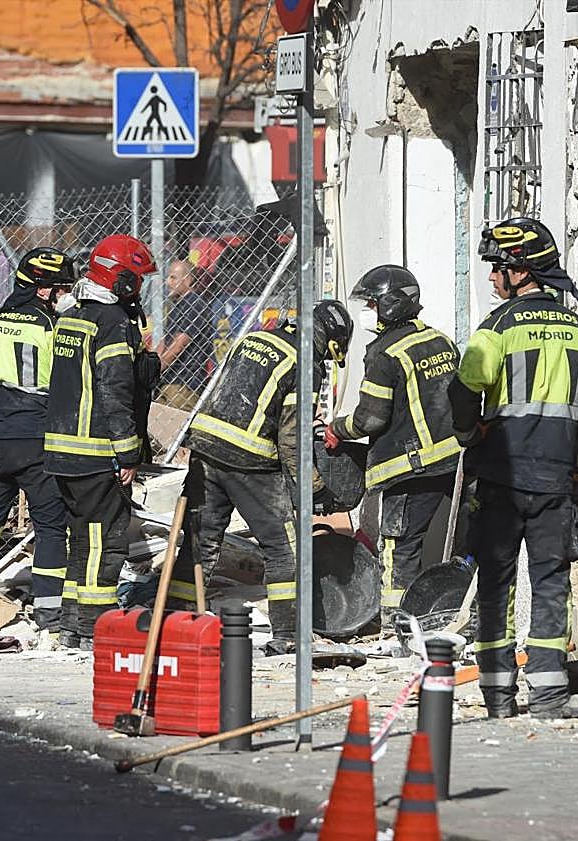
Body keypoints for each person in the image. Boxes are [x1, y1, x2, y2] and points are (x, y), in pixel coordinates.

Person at [447, 217, 578, 719]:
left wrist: (471, 436)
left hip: (500, 478)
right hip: (557, 481)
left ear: (521, 273)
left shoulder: (494, 329)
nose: (493, 278)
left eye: (498, 268)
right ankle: (550, 696)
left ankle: (498, 698)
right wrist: (577, 466)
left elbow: (462, 391)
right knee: (551, 583)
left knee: (496, 583)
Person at [168, 300, 354, 654]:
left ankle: (174, 621)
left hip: (206, 445)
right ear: (330, 340)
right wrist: (313, 487)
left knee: (200, 542)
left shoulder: (258, 337)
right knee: (283, 547)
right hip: (248, 457)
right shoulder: (305, 364)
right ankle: (287, 636)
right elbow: (291, 437)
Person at [324, 265, 462, 624]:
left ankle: (395, 624)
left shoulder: (384, 354)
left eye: (373, 304)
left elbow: (370, 419)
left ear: (391, 304)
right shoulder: (441, 340)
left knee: (400, 548)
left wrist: (338, 428)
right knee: (462, 542)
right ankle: (456, 614)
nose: (370, 312)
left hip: (407, 468)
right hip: (454, 462)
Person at [45, 234, 161, 650]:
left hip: (62, 451)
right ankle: (96, 628)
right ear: (122, 280)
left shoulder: (72, 316)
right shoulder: (112, 324)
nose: (143, 288)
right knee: (105, 543)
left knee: (82, 540)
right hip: (97, 451)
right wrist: (128, 451)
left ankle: (73, 627)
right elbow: (114, 393)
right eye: (139, 280)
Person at [0, 248, 78, 633]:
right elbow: (67, 391)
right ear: (45, 291)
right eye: (62, 287)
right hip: (37, 442)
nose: (66, 294)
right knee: (51, 525)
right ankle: (49, 615)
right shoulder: (51, 329)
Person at [156, 260, 212, 411]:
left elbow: (178, 345)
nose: (168, 282)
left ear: (188, 280)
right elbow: (165, 342)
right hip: (169, 380)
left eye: (173, 277)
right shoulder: (178, 305)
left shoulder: (194, 304)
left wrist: (154, 369)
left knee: (173, 430)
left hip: (184, 384)